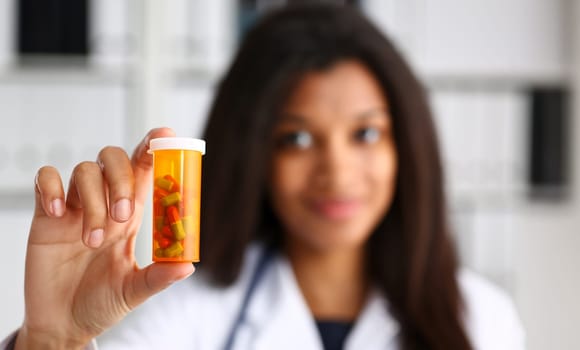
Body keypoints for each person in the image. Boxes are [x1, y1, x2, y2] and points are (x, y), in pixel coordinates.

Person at [2, 3, 524, 350]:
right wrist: (54, 339)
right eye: (295, 139)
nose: (337, 171)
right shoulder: (185, 315)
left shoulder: (483, 320)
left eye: (365, 134)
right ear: (252, 153)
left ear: (406, 145)